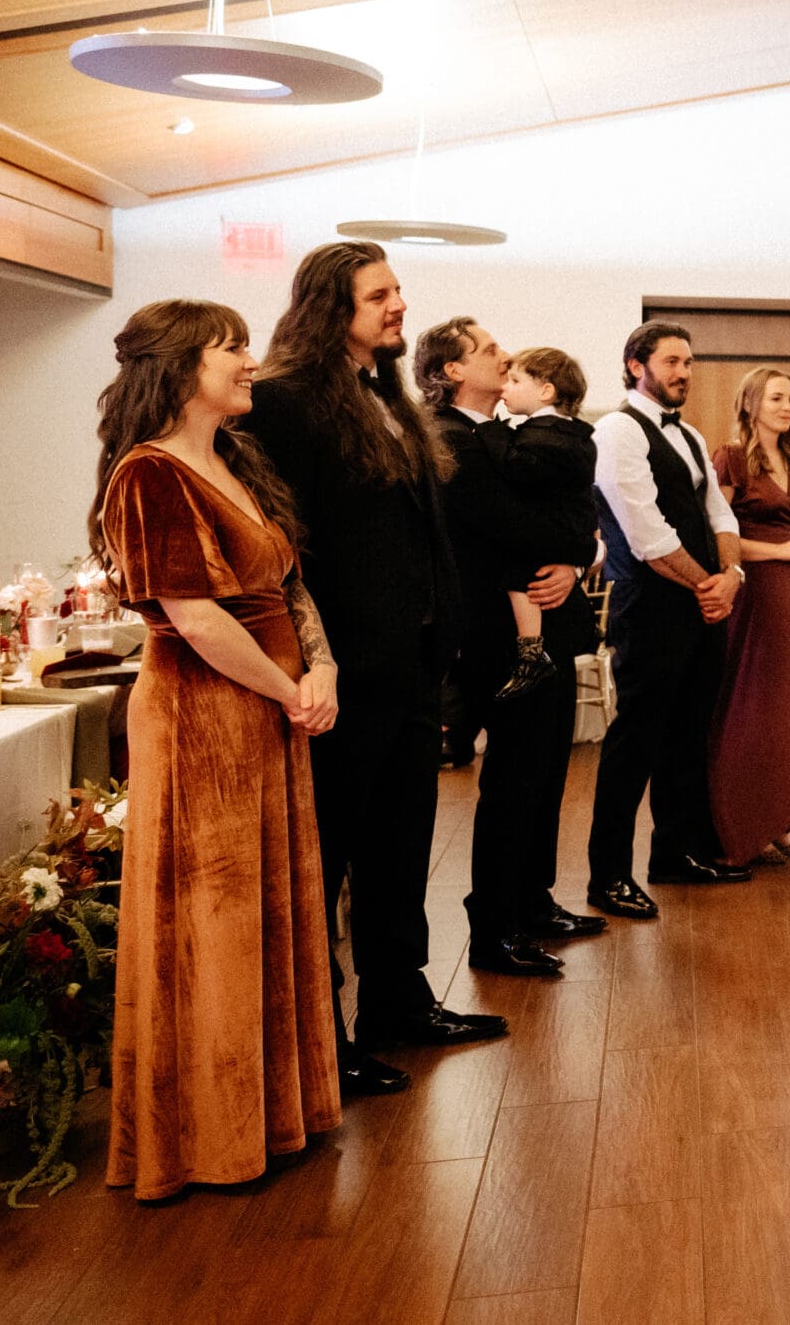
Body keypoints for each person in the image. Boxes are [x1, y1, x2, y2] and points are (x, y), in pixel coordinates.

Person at [92, 300, 341, 1197]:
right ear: (179, 369)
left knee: (269, 901)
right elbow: (194, 618)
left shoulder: (232, 459)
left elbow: (288, 580)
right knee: (212, 917)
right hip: (203, 713)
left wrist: (324, 668)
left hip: (272, 707)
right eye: (231, 348)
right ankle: (210, 1130)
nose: (248, 362)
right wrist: (289, 688)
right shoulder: (147, 474)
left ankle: (277, 1111)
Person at [242, 242, 500, 1092]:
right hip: (345, 664)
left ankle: (399, 999)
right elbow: (287, 546)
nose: (398, 305)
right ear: (330, 307)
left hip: (412, 659)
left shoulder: (386, 394)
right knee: (333, 854)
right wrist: (317, 658)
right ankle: (323, 1035)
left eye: (396, 291)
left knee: (402, 844)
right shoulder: (283, 402)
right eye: (378, 294)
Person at [415, 319, 600, 981]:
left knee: (546, 768)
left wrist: (573, 560)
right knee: (513, 781)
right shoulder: (445, 435)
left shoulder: (508, 433)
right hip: (495, 630)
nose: (505, 354)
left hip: (539, 619)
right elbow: (511, 523)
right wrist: (572, 547)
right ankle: (495, 929)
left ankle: (533, 898)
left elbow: (579, 510)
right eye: (490, 350)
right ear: (453, 369)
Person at [588, 320, 750, 918]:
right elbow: (647, 534)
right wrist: (708, 584)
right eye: (673, 361)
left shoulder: (689, 433)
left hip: (702, 603)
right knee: (636, 740)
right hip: (650, 608)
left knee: (688, 732)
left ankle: (673, 855)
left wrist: (730, 578)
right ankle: (607, 874)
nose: (684, 372)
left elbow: (720, 517)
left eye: (689, 362)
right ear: (637, 365)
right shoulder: (616, 432)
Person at [708, 367, 790, 862]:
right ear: (750, 403)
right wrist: (782, 554)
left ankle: (779, 816)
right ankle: (744, 823)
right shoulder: (732, 458)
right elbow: (721, 536)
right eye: (777, 398)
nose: (788, 407)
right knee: (754, 707)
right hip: (754, 592)